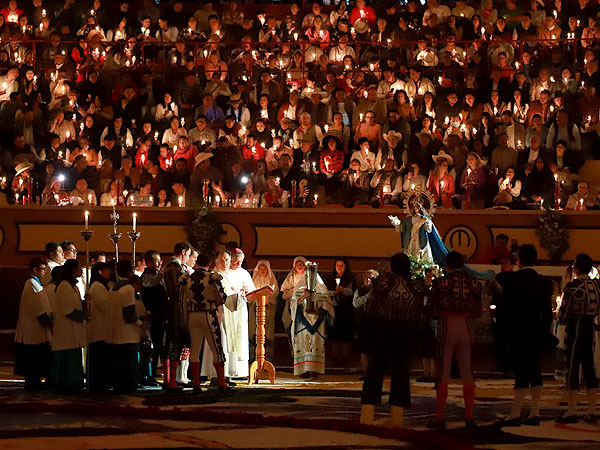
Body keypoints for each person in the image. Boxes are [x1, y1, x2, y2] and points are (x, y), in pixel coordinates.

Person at [357, 253, 426, 428]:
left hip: (383, 331)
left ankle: (367, 417)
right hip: (406, 333)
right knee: (401, 374)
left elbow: (370, 309)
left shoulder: (382, 283)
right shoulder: (416, 286)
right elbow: (420, 313)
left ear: (392, 267)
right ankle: (396, 419)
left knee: (373, 373)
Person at [499, 244, 553, 426]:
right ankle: (535, 412)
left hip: (518, 331)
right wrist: (545, 332)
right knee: (535, 370)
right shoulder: (544, 282)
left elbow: (505, 309)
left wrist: (505, 333)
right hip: (536, 330)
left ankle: (515, 412)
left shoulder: (512, 280)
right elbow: (547, 311)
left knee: (521, 371)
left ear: (519, 260)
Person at [427, 251, 482, 430]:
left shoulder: (441, 283)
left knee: (443, 372)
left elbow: (430, 309)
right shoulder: (474, 283)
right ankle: (470, 416)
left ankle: (440, 416)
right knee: (467, 370)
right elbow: (478, 311)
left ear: (447, 266)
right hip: (465, 327)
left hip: (447, 327)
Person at [557, 253, 600, 423]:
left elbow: (563, 314)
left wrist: (560, 317)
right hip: (590, 328)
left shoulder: (573, 286)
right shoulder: (597, 285)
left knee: (573, 368)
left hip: (575, 329)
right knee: (589, 368)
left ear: (576, 267)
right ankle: (592, 410)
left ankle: (572, 410)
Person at [184, 252, 232, 393]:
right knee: (217, 348)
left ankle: (196, 384)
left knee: (195, 349)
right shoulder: (211, 277)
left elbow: (183, 300)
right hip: (209, 313)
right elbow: (221, 298)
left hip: (192, 315)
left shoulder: (187, 278)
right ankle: (222, 382)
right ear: (209, 264)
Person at [290, 260, 334, 380]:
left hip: (317, 322)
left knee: (316, 343)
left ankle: (314, 370)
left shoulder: (321, 287)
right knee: (303, 343)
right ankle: (302, 369)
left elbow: (327, 302)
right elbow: (294, 302)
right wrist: (304, 296)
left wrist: (318, 301)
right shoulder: (299, 287)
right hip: (302, 322)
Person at [14, 257, 52, 391]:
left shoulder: (38, 283)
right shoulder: (31, 283)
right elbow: (37, 306)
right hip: (33, 327)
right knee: (32, 355)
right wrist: (48, 321)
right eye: (43, 269)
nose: (45, 272)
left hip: (37, 328)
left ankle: (35, 380)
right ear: (35, 269)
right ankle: (32, 381)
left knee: (37, 355)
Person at [50, 259, 87, 394]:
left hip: (73, 331)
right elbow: (67, 309)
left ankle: (74, 384)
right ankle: (66, 385)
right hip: (66, 330)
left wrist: (84, 302)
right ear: (72, 270)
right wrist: (84, 315)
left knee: (74, 356)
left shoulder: (73, 286)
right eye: (79, 268)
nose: (81, 270)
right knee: (67, 359)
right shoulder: (64, 286)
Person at [106, 260, 141, 393]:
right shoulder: (128, 288)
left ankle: (119, 385)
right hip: (126, 332)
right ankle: (130, 386)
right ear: (129, 272)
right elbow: (129, 312)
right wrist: (140, 324)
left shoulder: (113, 287)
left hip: (115, 331)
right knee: (129, 363)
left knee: (119, 363)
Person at [162, 241, 192, 391]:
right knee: (174, 342)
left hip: (172, 308)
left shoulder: (169, 267)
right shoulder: (174, 269)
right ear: (183, 253)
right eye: (187, 255)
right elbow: (176, 290)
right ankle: (171, 380)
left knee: (171, 343)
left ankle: (169, 379)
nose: (188, 258)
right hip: (176, 309)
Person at [140, 250, 167, 385]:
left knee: (157, 345)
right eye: (157, 260)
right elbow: (151, 284)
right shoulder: (147, 276)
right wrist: (164, 273)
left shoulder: (156, 275)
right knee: (150, 345)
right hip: (151, 315)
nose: (159, 263)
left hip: (160, 315)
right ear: (149, 262)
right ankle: (148, 374)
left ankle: (153, 373)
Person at [87, 261, 112, 391]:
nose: (109, 272)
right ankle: (98, 383)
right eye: (107, 270)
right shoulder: (97, 286)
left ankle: (103, 382)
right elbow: (105, 305)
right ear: (100, 272)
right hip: (99, 328)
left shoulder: (103, 285)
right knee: (99, 357)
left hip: (104, 327)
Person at [250, 260, 279, 361]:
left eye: (264, 268)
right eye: (260, 268)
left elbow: (274, 293)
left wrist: (267, 299)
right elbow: (250, 293)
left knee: (268, 331)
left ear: (268, 269)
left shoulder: (272, 280)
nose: (262, 271)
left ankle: (268, 356)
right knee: (254, 329)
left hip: (268, 309)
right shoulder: (253, 280)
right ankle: (254, 354)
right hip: (255, 309)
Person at [280, 256, 307, 353]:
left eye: (301, 264)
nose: (299, 266)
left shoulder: (309, 276)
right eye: (297, 264)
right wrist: (293, 291)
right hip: (291, 307)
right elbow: (284, 293)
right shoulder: (291, 276)